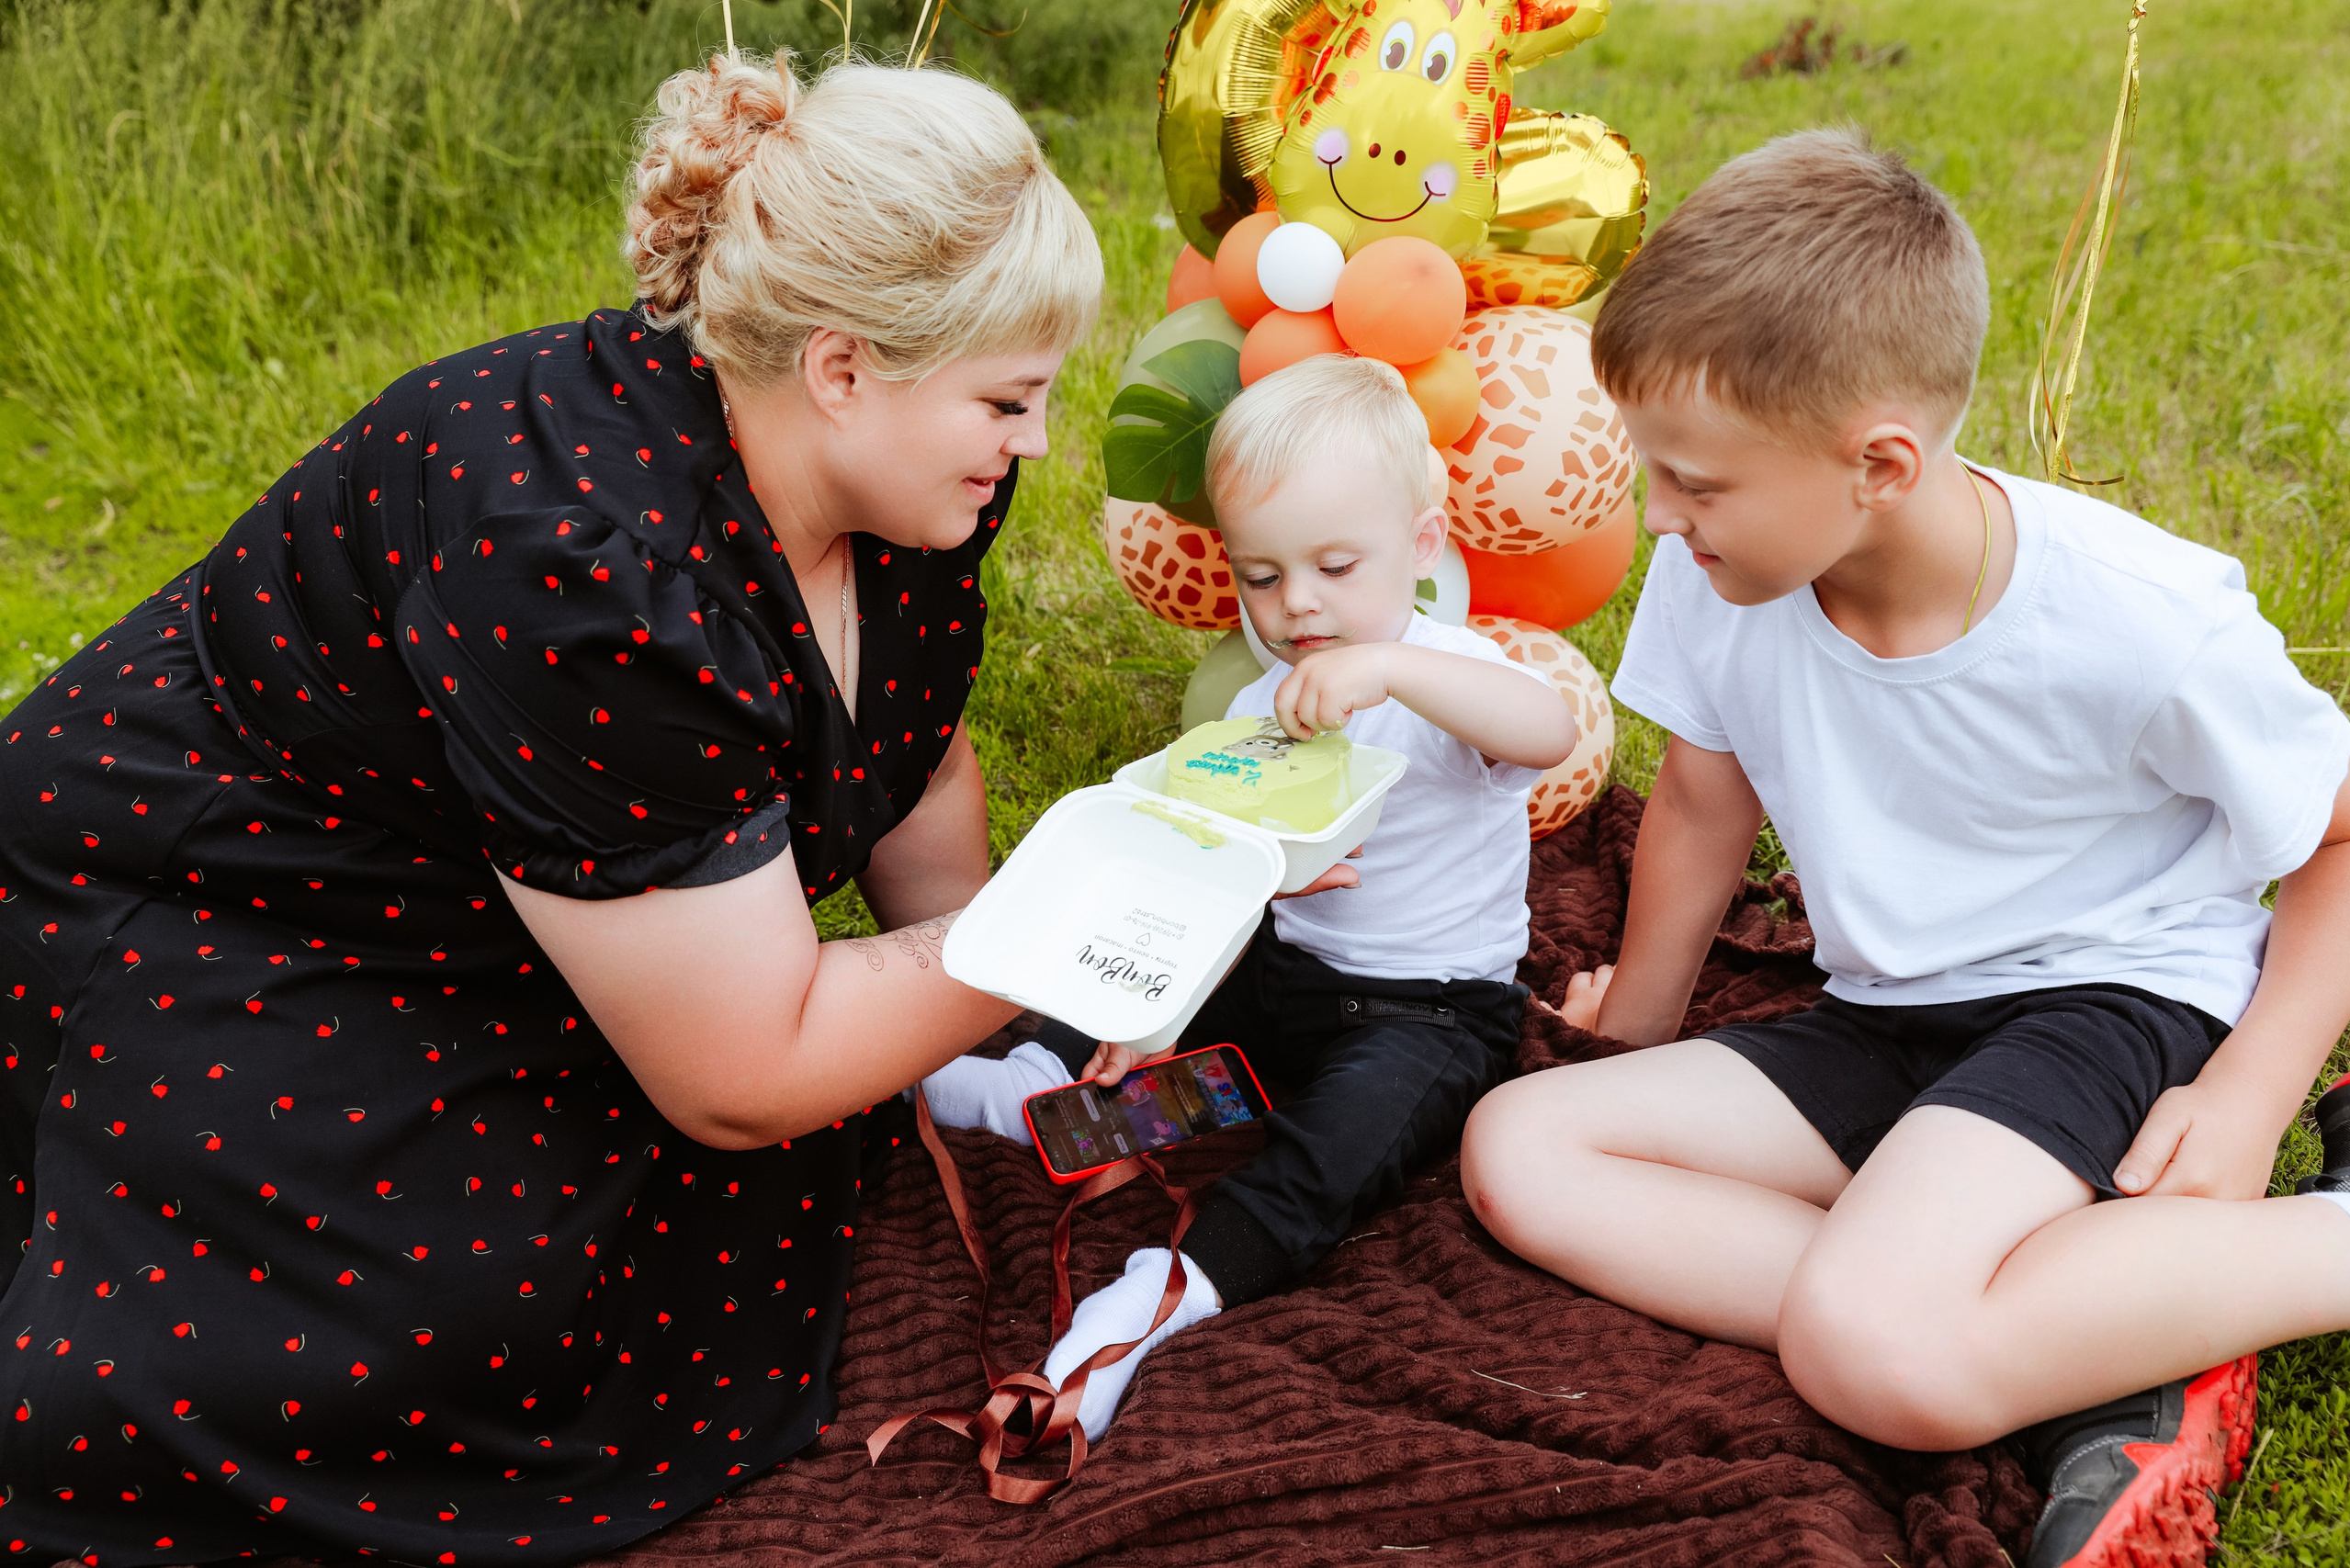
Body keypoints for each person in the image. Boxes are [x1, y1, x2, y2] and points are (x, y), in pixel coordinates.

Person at [0, 51, 1099, 1563]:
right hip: (236, 868)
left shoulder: (907, 473)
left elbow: (916, 748)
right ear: (844, 368)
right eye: (1010, 401)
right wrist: (1060, 926)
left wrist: (1012, 1035)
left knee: (713, 1181)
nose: (1034, 442)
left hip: (529, 866)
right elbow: (742, 1073)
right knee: (427, 1327)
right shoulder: (588, 566)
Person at [1458, 129, 2350, 1568]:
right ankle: (2094, 1317)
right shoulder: (1735, 563)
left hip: (2108, 1000)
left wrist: (2253, 1090)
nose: (1657, 518)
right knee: (1524, 1146)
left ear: (1878, 461)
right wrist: (1633, 1016)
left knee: (1878, 1356)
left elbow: (2343, 838)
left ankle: (2314, 1249)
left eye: (1691, 483)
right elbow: (1701, 796)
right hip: (1888, 1011)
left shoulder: (2137, 620)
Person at [922, 355, 1582, 1439]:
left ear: (1421, 548)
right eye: (1263, 577)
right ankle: (1044, 1092)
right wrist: (1159, 1011)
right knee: (1175, 1013)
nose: (1298, 606)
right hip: (1291, 974)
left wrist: (1398, 672)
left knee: (1331, 1150)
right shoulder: (1275, 693)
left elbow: (1545, 730)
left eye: (1334, 565)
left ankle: (1162, 1292)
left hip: (1430, 1011)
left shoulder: (1443, 671)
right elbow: (1224, 870)